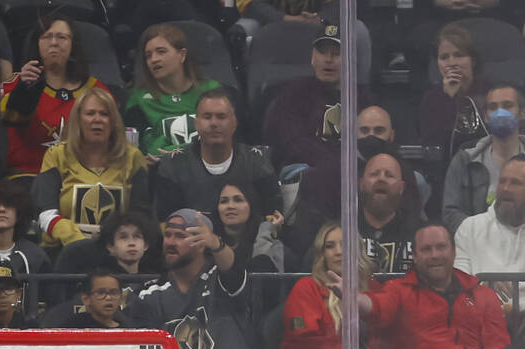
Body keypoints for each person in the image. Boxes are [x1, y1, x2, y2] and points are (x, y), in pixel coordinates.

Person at [344, 222, 510, 349]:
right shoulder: (398, 290)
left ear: (453, 252)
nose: (434, 255)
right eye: (426, 249)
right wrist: (356, 299)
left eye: (441, 247)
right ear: (414, 256)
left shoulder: (482, 294)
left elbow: (499, 347)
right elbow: (379, 307)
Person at [128, 209, 254, 349]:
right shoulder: (149, 294)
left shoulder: (221, 280)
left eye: (180, 236)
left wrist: (216, 243)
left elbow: (234, 269)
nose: (171, 242)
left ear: (202, 244)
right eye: (168, 235)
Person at [33, 87, 151, 250]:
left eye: (104, 114)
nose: (98, 120)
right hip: (63, 250)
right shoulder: (56, 155)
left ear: (114, 121)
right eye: (90, 114)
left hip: (117, 252)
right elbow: (45, 213)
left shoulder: (133, 157)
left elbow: (140, 216)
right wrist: (76, 239)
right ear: (78, 120)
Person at [0, 13, 110, 182]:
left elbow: (110, 137)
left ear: (73, 45)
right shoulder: (17, 84)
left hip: (82, 177)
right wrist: (26, 87)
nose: (54, 43)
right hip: (28, 177)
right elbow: (12, 118)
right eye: (46, 36)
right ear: (37, 44)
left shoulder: (95, 89)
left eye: (62, 37)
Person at [273, 221, 381, 349]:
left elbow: (386, 339)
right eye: (330, 246)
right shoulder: (307, 287)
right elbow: (303, 342)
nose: (339, 252)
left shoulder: (373, 287)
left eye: (345, 244)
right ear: (322, 254)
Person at [154, 88, 280, 220]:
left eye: (221, 116)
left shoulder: (257, 163)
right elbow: (166, 224)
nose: (214, 123)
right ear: (196, 124)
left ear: (234, 123)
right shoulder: (173, 165)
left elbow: (273, 219)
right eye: (207, 117)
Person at [262, 24, 370, 173]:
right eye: (322, 52)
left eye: (336, 53)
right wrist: (336, 162)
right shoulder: (294, 94)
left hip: (353, 174)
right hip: (306, 171)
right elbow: (293, 143)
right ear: (313, 58)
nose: (328, 59)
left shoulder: (362, 99)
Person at [123, 24, 221, 163]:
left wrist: (179, 152)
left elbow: (229, 140)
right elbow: (132, 152)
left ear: (182, 55)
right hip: (161, 174)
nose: (154, 59)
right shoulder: (139, 100)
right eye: (148, 56)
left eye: (161, 51)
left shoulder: (213, 91)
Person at [442, 83, 524, 233]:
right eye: (493, 107)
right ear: (485, 116)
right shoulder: (464, 160)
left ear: (522, 113)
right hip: (477, 248)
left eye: (507, 106)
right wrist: (485, 235)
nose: (500, 113)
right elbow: (450, 214)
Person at [417, 22, 487, 158]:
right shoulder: (432, 99)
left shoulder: (491, 93)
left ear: (473, 60)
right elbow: (434, 144)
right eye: (444, 57)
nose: (452, 63)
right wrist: (448, 98)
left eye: (459, 55)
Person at [455, 156, 525, 277]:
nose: (506, 188)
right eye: (502, 181)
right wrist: (483, 287)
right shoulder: (470, 228)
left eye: (515, 182)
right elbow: (459, 283)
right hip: (480, 295)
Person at [358, 153, 420, 274]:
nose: (381, 179)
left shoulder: (419, 234)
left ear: (401, 188)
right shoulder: (341, 232)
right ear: (361, 184)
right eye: (374, 174)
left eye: (389, 175)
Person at [215, 183, 285, 273]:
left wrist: (267, 229)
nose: (230, 206)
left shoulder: (271, 244)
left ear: (251, 205)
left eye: (238, 200)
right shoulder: (210, 244)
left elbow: (261, 275)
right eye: (224, 201)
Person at [63, 269, 129, 329]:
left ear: (121, 298)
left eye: (114, 292)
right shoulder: (73, 327)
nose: (108, 298)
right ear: (86, 299)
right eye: (101, 293)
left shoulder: (128, 329)